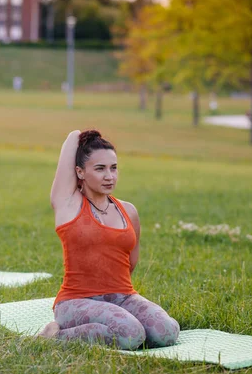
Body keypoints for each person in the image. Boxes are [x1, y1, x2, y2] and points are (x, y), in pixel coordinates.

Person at [38, 130, 179, 350]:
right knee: (130, 334)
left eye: (113, 168)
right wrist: (87, 137)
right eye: (100, 168)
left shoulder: (128, 211)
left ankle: (120, 325)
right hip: (75, 301)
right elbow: (72, 138)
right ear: (80, 172)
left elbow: (131, 261)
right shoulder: (68, 205)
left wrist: (118, 301)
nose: (109, 176)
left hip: (123, 296)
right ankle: (55, 336)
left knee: (167, 333)